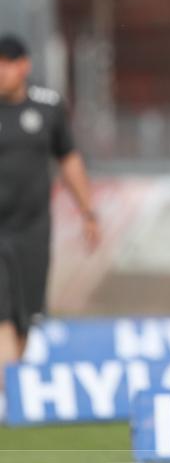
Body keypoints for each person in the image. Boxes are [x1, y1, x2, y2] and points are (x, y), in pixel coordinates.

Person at [0, 35, 100, 413]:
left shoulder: (48, 106)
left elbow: (69, 159)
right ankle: (6, 395)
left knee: (26, 317)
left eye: (7, 63)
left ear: (23, 65)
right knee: (2, 313)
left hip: (33, 230)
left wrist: (88, 212)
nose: (1, 71)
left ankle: (11, 388)